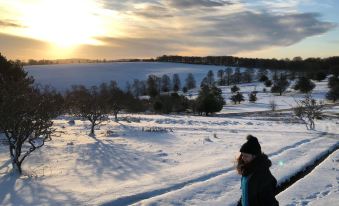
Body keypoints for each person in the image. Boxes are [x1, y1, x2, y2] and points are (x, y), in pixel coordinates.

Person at [236, 135, 279, 206]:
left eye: (246, 156)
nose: (243, 158)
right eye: (242, 155)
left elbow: (268, 201)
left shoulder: (262, 174)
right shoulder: (246, 171)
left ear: (255, 156)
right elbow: (246, 193)